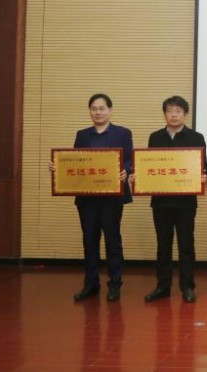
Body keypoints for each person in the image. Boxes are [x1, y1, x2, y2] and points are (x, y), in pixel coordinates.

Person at [134, 96, 207, 304]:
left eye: (178, 111)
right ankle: (162, 287)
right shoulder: (155, 137)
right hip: (161, 202)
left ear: (185, 114)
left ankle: (187, 287)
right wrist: (139, 174)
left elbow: (204, 167)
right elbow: (149, 166)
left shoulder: (196, 137)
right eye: (169, 111)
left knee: (186, 245)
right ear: (164, 114)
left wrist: (204, 175)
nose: (174, 115)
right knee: (163, 245)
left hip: (186, 202)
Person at [69, 93, 133, 302]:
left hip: (112, 198)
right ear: (90, 111)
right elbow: (74, 161)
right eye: (94, 109)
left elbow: (130, 159)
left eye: (102, 108)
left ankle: (114, 284)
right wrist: (58, 167)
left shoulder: (122, 133)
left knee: (113, 241)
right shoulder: (82, 135)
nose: (98, 112)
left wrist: (125, 170)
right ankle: (91, 284)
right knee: (89, 241)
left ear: (110, 110)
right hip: (87, 198)